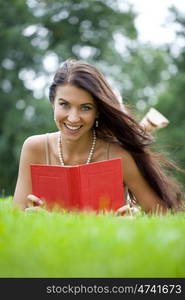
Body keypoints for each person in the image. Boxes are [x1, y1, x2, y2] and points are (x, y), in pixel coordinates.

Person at [13, 59, 184, 214]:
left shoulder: (118, 155)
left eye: (85, 108)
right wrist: (35, 217)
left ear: (97, 111)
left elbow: (161, 214)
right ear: (53, 103)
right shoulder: (34, 147)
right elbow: (17, 215)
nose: (73, 118)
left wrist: (129, 222)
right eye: (64, 104)